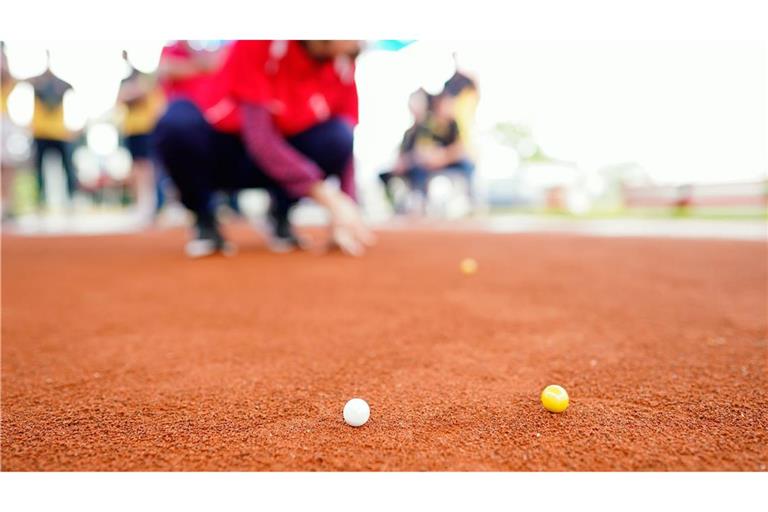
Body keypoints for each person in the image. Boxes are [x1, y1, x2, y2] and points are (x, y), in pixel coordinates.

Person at [153, 40, 375, 257]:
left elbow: (345, 140)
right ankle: (204, 216)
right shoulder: (258, 42)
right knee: (176, 123)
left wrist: (346, 211)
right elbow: (260, 138)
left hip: (284, 158)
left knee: (336, 136)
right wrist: (328, 198)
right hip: (230, 153)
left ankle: (280, 214)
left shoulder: (342, 61)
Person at [380, 91, 475, 213]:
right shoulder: (427, 125)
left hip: (448, 161)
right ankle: (418, 202)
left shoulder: (454, 124)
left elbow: (461, 147)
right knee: (418, 170)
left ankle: (470, 201)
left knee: (467, 165)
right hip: (428, 164)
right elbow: (422, 151)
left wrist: (444, 157)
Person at [118, 51, 165, 222]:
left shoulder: (147, 78)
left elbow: (141, 93)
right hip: (131, 130)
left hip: (147, 129)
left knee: (149, 169)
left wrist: (131, 94)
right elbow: (121, 99)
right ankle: (141, 204)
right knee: (137, 169)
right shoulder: (125, 80)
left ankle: (152, 204)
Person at [29, 53, 78, 210]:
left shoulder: (61, 84)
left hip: (59, 133)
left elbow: (72, 88)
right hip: (40, 132)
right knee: (39, 169)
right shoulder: (37, 83)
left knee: (67, 166)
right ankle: (40, 199)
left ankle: (71, 197)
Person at [1, 42, 18, 221]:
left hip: (3, 121)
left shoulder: (6, 80)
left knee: (6, 164)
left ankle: (5, 205)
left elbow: (7, 75)